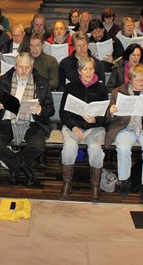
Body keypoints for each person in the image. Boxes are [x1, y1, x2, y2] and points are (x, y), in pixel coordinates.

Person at [0, 52, 54, 187]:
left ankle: (14, 166)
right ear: (15, 65)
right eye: (20, 67)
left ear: (32, 66)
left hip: (32, 121)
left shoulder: (42, 83)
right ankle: (24, 167)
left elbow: (50, 109)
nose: (24, 70)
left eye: (27, 67)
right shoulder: (4, 80)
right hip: (8, 119)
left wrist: (41, 111)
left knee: (38, 146)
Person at [106, 64, 143, 204]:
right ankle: (124, 181)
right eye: (137, 80)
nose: (140, 83)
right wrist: (111, 112)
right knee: (123, 148)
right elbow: (109, 118)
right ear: (130, 79)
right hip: (126, 127)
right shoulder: (118, 92)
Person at [59, 56, 108, 202]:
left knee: (95, 149)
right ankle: (66, 184)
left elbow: (105, 116)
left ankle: (95, 186)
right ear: (79, 71)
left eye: (91, 69)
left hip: (94, 128)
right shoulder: (70, 87)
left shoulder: (101, 88)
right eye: (85, 69)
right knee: (69, 147)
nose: (88, 72)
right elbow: (63, 112)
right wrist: (74, 127)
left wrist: (95, 120)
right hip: (74, 127)